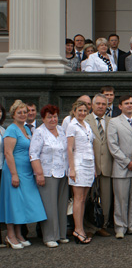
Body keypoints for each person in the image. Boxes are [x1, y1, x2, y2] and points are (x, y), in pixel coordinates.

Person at [0, 101, 47, 249]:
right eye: (19, 112)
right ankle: (10, 235)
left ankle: (19, 233)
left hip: (26, 171)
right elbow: (8, 153)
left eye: (25, 112)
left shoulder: (26, 128)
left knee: (22, 203)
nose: (23, 115)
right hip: (14, 171)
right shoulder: (11, 130)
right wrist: (14, 174)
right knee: (13, 203)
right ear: (13, 114)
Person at [29, 105, 69, 248]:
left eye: (55, 116)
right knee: (49, 206)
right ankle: (50, 236)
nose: (53, 119)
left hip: (63, 172)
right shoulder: (39, 132)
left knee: (61, 205)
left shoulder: (61, 130)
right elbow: (33, 154)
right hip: (47, 173)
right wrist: (39, 173)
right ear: (43, 119)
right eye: (49, 117)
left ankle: (61, 234)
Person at [107, 95, 132, 239]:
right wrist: (126, 162)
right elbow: (113, 145)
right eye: (126, 103)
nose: (129, 105)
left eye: (131, 103)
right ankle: (120, 227)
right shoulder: (114, 122)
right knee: (121, 199)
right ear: (120, 106)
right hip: (121, 167)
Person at [66, 100, 96, 244]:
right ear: (74, 111)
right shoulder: (72, 126)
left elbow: (90, 147)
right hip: (78, 165)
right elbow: (70, 149)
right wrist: (72, 169)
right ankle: (78, 229)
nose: (82, 113)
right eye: (80, 111)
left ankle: (80, 227)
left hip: (89, 165)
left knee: (83, 199)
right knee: (78, 199)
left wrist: (94, 168)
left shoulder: (87, 125)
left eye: (85, 110)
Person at [84, 94, 113, 237]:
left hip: (108, 166)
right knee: (88, 199)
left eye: (104, 104)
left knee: (106, 199)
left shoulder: (111, 121)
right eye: (98, 104)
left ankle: (103, 225)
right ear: (92, 105)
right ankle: (88, 227)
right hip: (90, 167)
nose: (101, 106)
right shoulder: (84, 120)